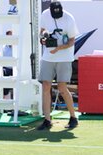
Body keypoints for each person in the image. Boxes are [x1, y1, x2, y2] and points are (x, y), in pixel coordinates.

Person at [37, 0, 79, 130]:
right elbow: (42, 30)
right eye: (54, 13)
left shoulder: (69, 18)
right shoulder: (45, 14)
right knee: (45, 86)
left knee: (62, 87)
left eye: (58, 13)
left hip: (64, 57)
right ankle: (47, 120)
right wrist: (43, 37)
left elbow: (72, 40)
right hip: (48, 57)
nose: (57, 15)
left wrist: (59, 48)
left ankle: (73, 117)